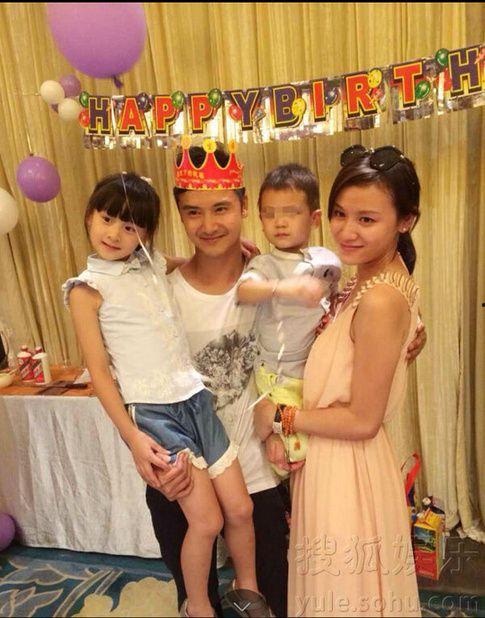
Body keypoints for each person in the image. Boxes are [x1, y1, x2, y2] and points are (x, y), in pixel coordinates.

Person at [62, 172, 270, 618]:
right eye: (107, 219)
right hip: (155, 413)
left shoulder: (150, 263)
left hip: (196, 399)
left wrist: (236, 247)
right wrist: (134, 438)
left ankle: (248, 589)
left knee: (239, 507)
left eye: (130, 226)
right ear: (89, 216)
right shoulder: (86, 288)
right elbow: (100, 374)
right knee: (207, 521)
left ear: (146, 233)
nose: (114, 234)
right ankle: (199, 607)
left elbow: (176, 262)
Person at [254, 145, 423, 616]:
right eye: (340, 214)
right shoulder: (372, 277)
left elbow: (362, 420)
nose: (347, 230)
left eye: (367, 219)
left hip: (346, 470)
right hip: (337, 461)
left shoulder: (379, 297)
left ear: (405, 221)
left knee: (342, 597)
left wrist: (280, 416)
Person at [146, 144, 291, 617]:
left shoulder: (269, 283)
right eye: (194, 212)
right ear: (180, 215)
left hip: (255, 468)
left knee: (273, 594)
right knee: (196, 597)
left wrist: (410, 332)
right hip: (183, 469)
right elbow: (138, 382)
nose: (208, 224)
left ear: (244, 207)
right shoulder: (161, 294)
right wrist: (144, 455)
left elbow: (325, 325)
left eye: (221, 208)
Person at [237, 164, 342, 472]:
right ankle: (272, 439)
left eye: (291, 213)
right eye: (269, 214)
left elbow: (339, 301)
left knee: (320, 446)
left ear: (314, 218)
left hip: (315, 372)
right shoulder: (264, 264)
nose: (279, 222)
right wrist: (284, 287)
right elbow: (244, 290)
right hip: (277, 372)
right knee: (292, 453)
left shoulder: (327, 261)